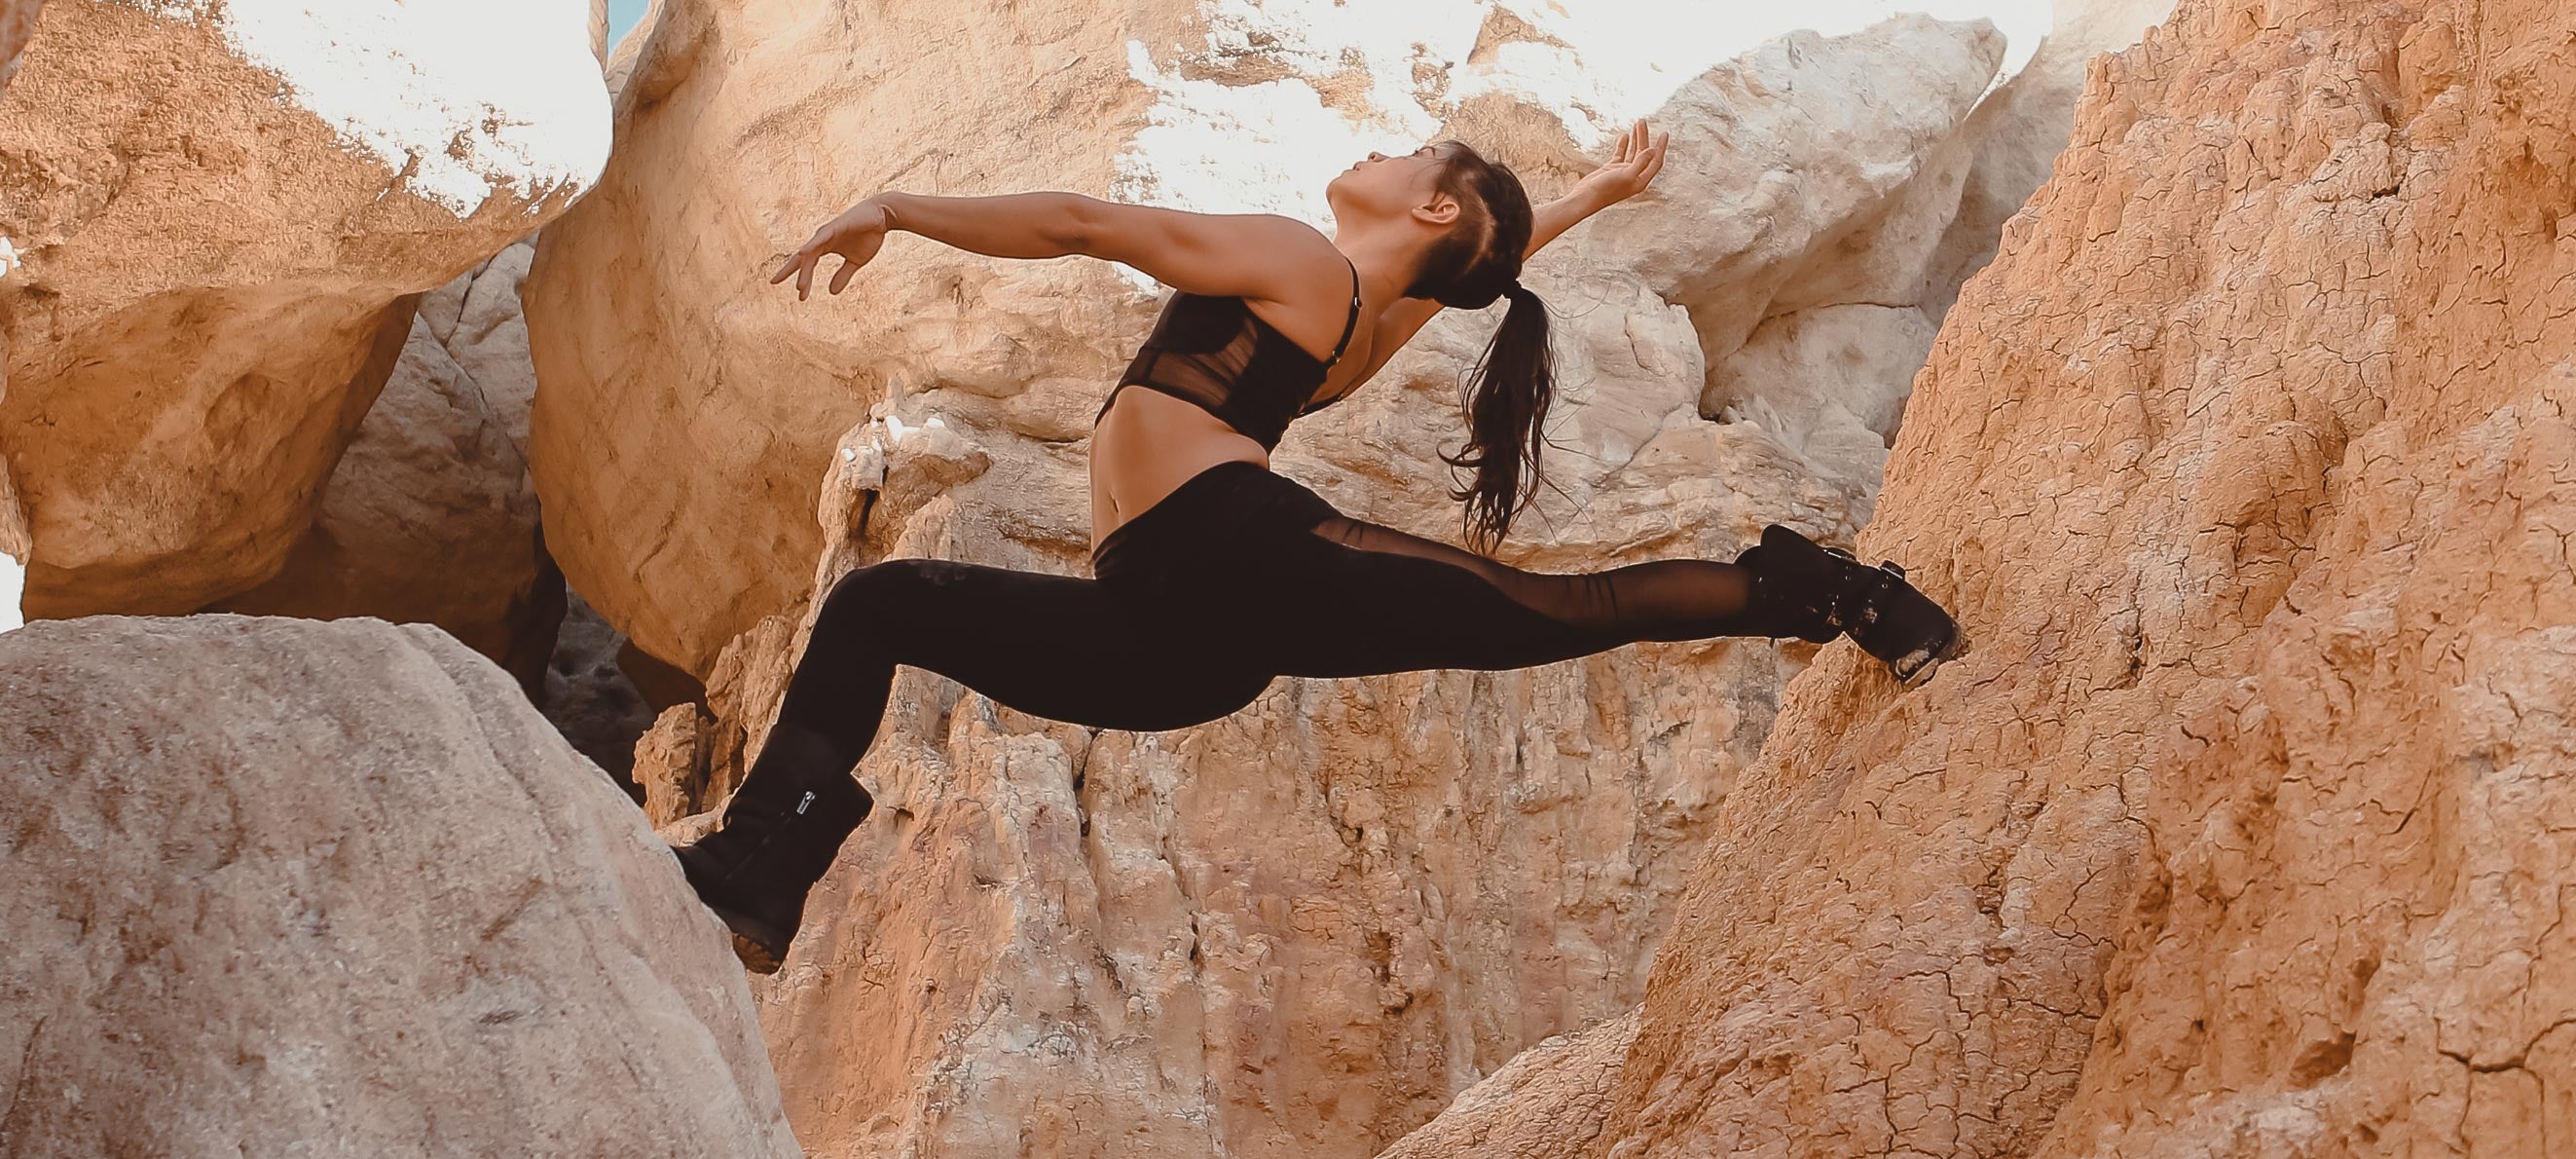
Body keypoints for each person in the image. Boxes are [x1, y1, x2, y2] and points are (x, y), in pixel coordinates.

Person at [674, 123, 1958, 972]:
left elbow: (1079, 222)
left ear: (1433, 200)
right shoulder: (1362, 320)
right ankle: (768, 869)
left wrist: (895, 205)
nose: (1378, 149)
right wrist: (1585, 197)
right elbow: (1477, 266)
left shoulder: (1297, 263)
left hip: (1225, 558)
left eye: (1409, 153)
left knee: (1543, 612)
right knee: (884, 605)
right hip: (1168, 638)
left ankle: (1834, 590)